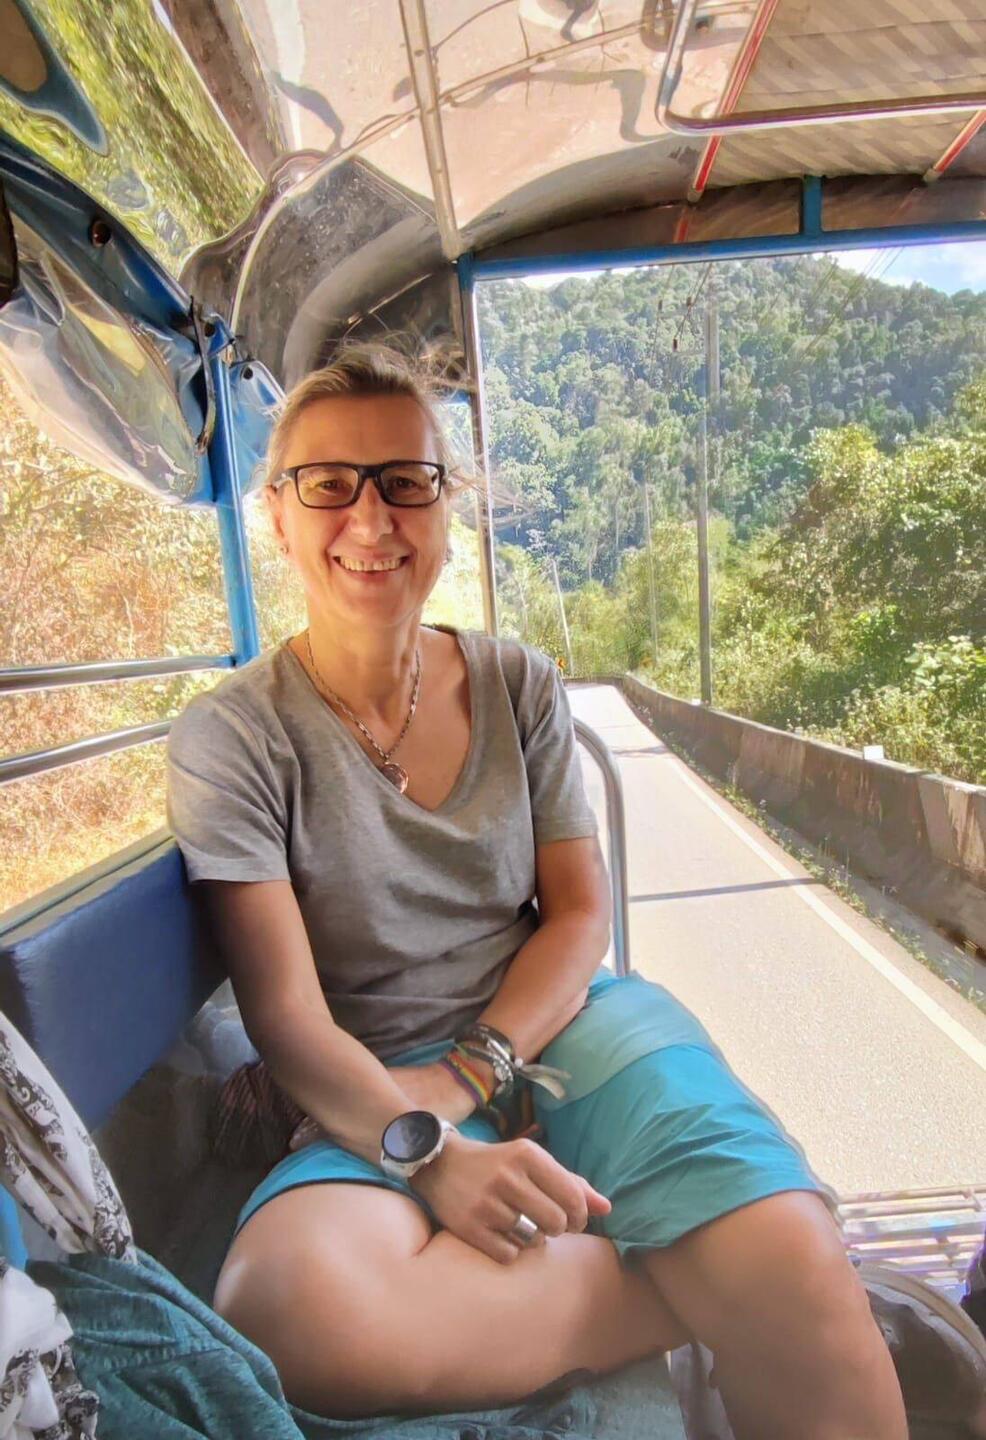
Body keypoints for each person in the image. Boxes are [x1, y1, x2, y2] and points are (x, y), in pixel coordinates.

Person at [165, 342, 911, 1438]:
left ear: (445, 508)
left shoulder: (517, 682)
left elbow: (578, 914)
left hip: (569, 1022)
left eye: (405, 481)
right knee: (293, 1311)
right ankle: (710, 1287)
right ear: (277, 515)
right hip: (374, 1076)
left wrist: (471, 1074)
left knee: (789, 1254)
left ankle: (766, 1278)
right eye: (327, 484)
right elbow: (285, 1015)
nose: (370, 518)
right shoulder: (233, 736)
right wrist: (426, 1150)